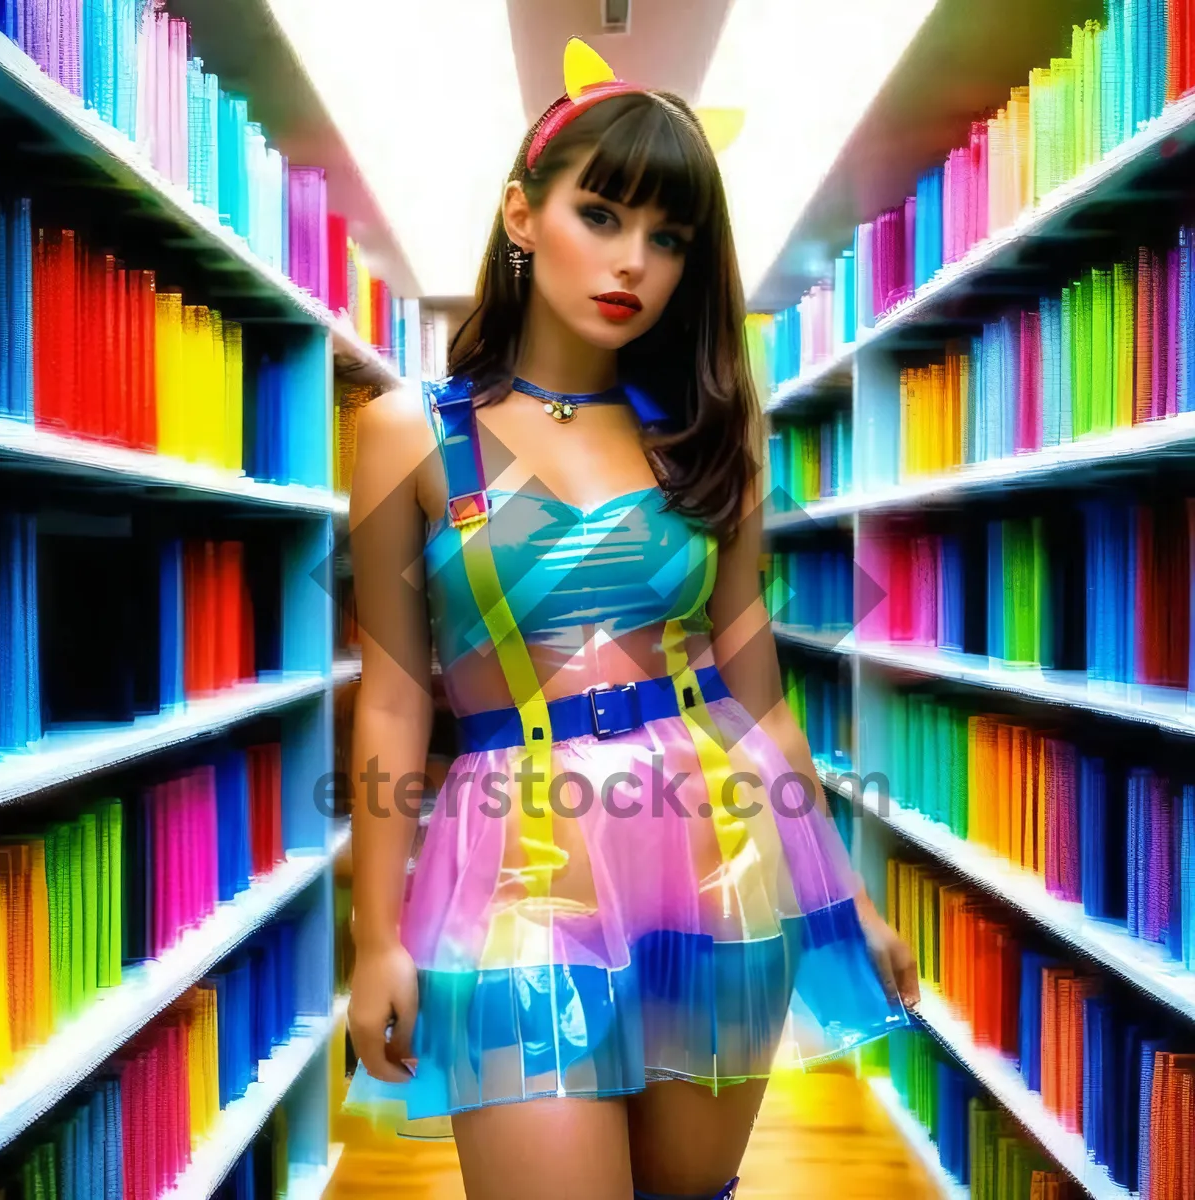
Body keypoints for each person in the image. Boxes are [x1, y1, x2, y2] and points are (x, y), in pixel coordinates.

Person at [342, 38, 920, 1200]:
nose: (633, 262)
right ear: (522, 213)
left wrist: (847, 896)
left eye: (669, 237)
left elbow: (758, 696)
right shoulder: (411, 433)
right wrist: (377, 938)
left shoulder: (707, 434)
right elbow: (396, 703)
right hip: (513, 866)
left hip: (719, 857)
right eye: (601, 215)